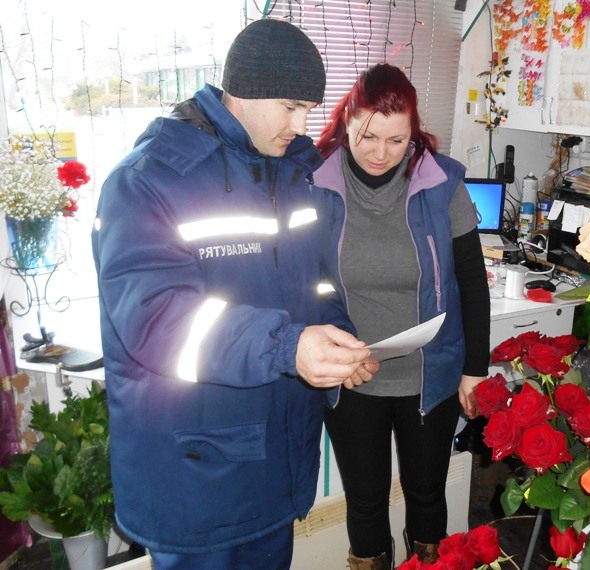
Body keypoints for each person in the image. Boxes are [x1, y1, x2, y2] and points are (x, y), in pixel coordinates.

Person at [91, 19, 376, 569]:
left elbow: (312, 284)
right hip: (196, 475)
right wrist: (288, 347)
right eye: (291, 106)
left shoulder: (289, 173)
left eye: (309, 109)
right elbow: (156, 321)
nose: (302, 124)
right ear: (241, 89)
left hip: (274, 462)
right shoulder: (147, 180)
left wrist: (339, 342)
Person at [313, 63, 491, 569]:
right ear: (347, 119)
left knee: (427, 494)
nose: (379, 153)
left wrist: (473, 368)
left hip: (428, 377)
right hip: (352, 378)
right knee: (365, 502)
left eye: (396, 140)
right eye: (368, 136)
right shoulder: (317, 184)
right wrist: (338, 347)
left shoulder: (441, 184)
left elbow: (471, 286)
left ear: (414, 132)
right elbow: (308, 282)